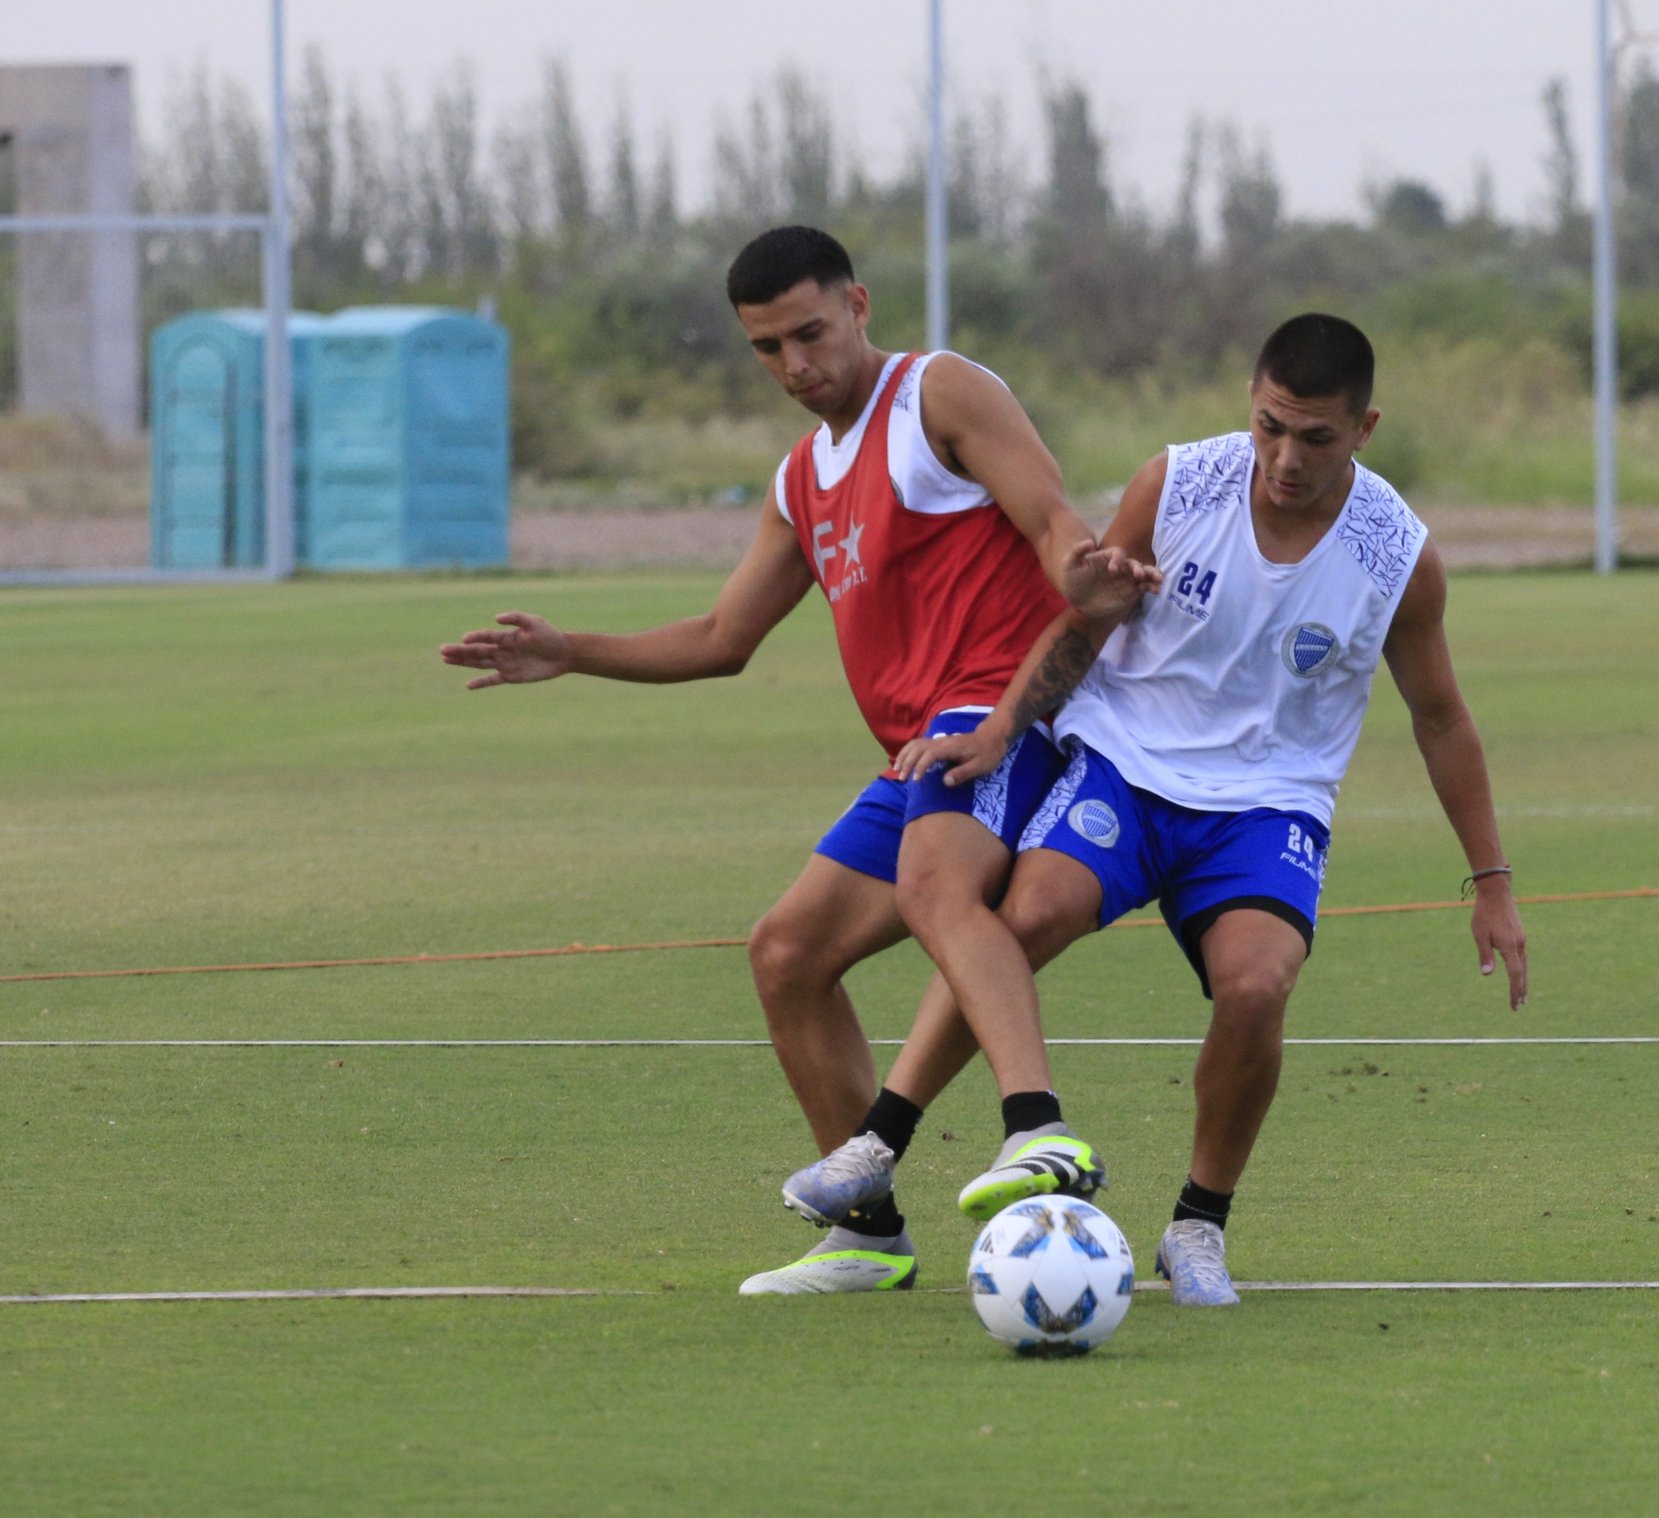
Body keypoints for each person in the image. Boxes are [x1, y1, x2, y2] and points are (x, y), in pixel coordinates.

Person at [439, 226, 1155, 1296]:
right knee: (785, 953)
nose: (795, 366)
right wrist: (572, 652)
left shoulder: (939, 395)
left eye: (810, 333)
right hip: (915, 748)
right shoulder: (800, 479)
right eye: (767, 349)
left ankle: (1038, 1130)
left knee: (931, 883)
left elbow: (1052, 520)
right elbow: (724, 640)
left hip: (1009, 712)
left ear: (859, 305)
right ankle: (866, 1232)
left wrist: (1083, 568)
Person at [776, 312, 1529, 1306]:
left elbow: (1440, 719)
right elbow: (1082, 622)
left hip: (1267, 803)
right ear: (1249, 404)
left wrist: (1490, 879)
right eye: (1268, 426)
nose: (1283, 458)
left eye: (1314, 437)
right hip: (1125, 767)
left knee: (1256, 987)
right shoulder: (1177, 482)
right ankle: (883, 1139)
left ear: (1364, 429)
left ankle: (1195, 1227)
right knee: (1028, 914)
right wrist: (1001, 729)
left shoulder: (1395, 553)